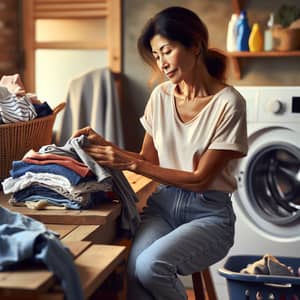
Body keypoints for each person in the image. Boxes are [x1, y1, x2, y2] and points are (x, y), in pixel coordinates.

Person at [72, 6, 248, 300]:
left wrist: (127, 161)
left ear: (194, 45)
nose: (162, 63)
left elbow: (200, 179)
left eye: (166, 51)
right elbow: (148, 160)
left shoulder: (229, 103)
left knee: (151, 266)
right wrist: (105, 146)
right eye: (156, 56)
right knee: (133, 270)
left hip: (209, 215)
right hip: (163, 207)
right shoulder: (161, 96)